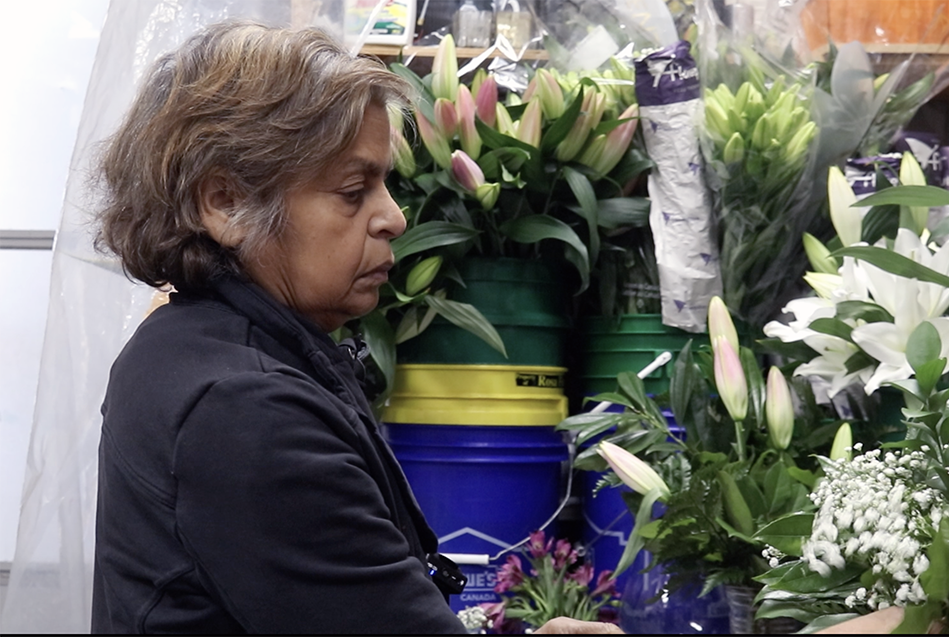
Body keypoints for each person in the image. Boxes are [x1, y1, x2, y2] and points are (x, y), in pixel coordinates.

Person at [89, 19, 623, 635]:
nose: (394, 218)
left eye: (386, 184)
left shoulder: (188, 346)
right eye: (352, 190)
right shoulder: (246, 412)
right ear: (226, 203)